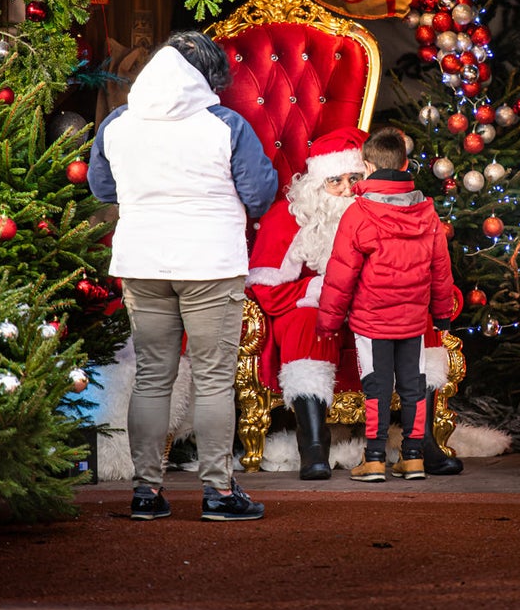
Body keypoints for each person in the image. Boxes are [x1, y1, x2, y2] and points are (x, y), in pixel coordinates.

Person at [88, 29, 277, 522]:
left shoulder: (117, 122)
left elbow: (102, 189)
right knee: (215, 379)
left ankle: (146, 493)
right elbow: (259, 194)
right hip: (210, 263)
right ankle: (218, 492)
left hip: (143, 264)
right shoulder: (226, 124)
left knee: (152, 377)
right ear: (206, 77)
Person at [247, 126, 464, 480]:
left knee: (416, 320)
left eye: (354, 177)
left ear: (369, 171)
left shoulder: (394, 210)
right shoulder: (292, 217)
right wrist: (319, 293)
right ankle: (314, 446)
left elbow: (432, 265)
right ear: (317, 183)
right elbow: (267, 289)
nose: (347, 189)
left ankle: (421, 442)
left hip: (378, 309)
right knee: (310, 325)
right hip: (319, 306)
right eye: (336, 181)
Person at [316, 126, 457, 482]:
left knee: (377, 386)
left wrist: (328, 323)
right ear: (406, 164)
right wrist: (441, 315)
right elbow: (441, 270)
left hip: (372, 322)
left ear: (365, 165)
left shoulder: (359, 213)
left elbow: (341, 273)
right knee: (414, 385)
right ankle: (412, 458)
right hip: (413, 320)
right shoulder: (427, 212)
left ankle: (375, 458)